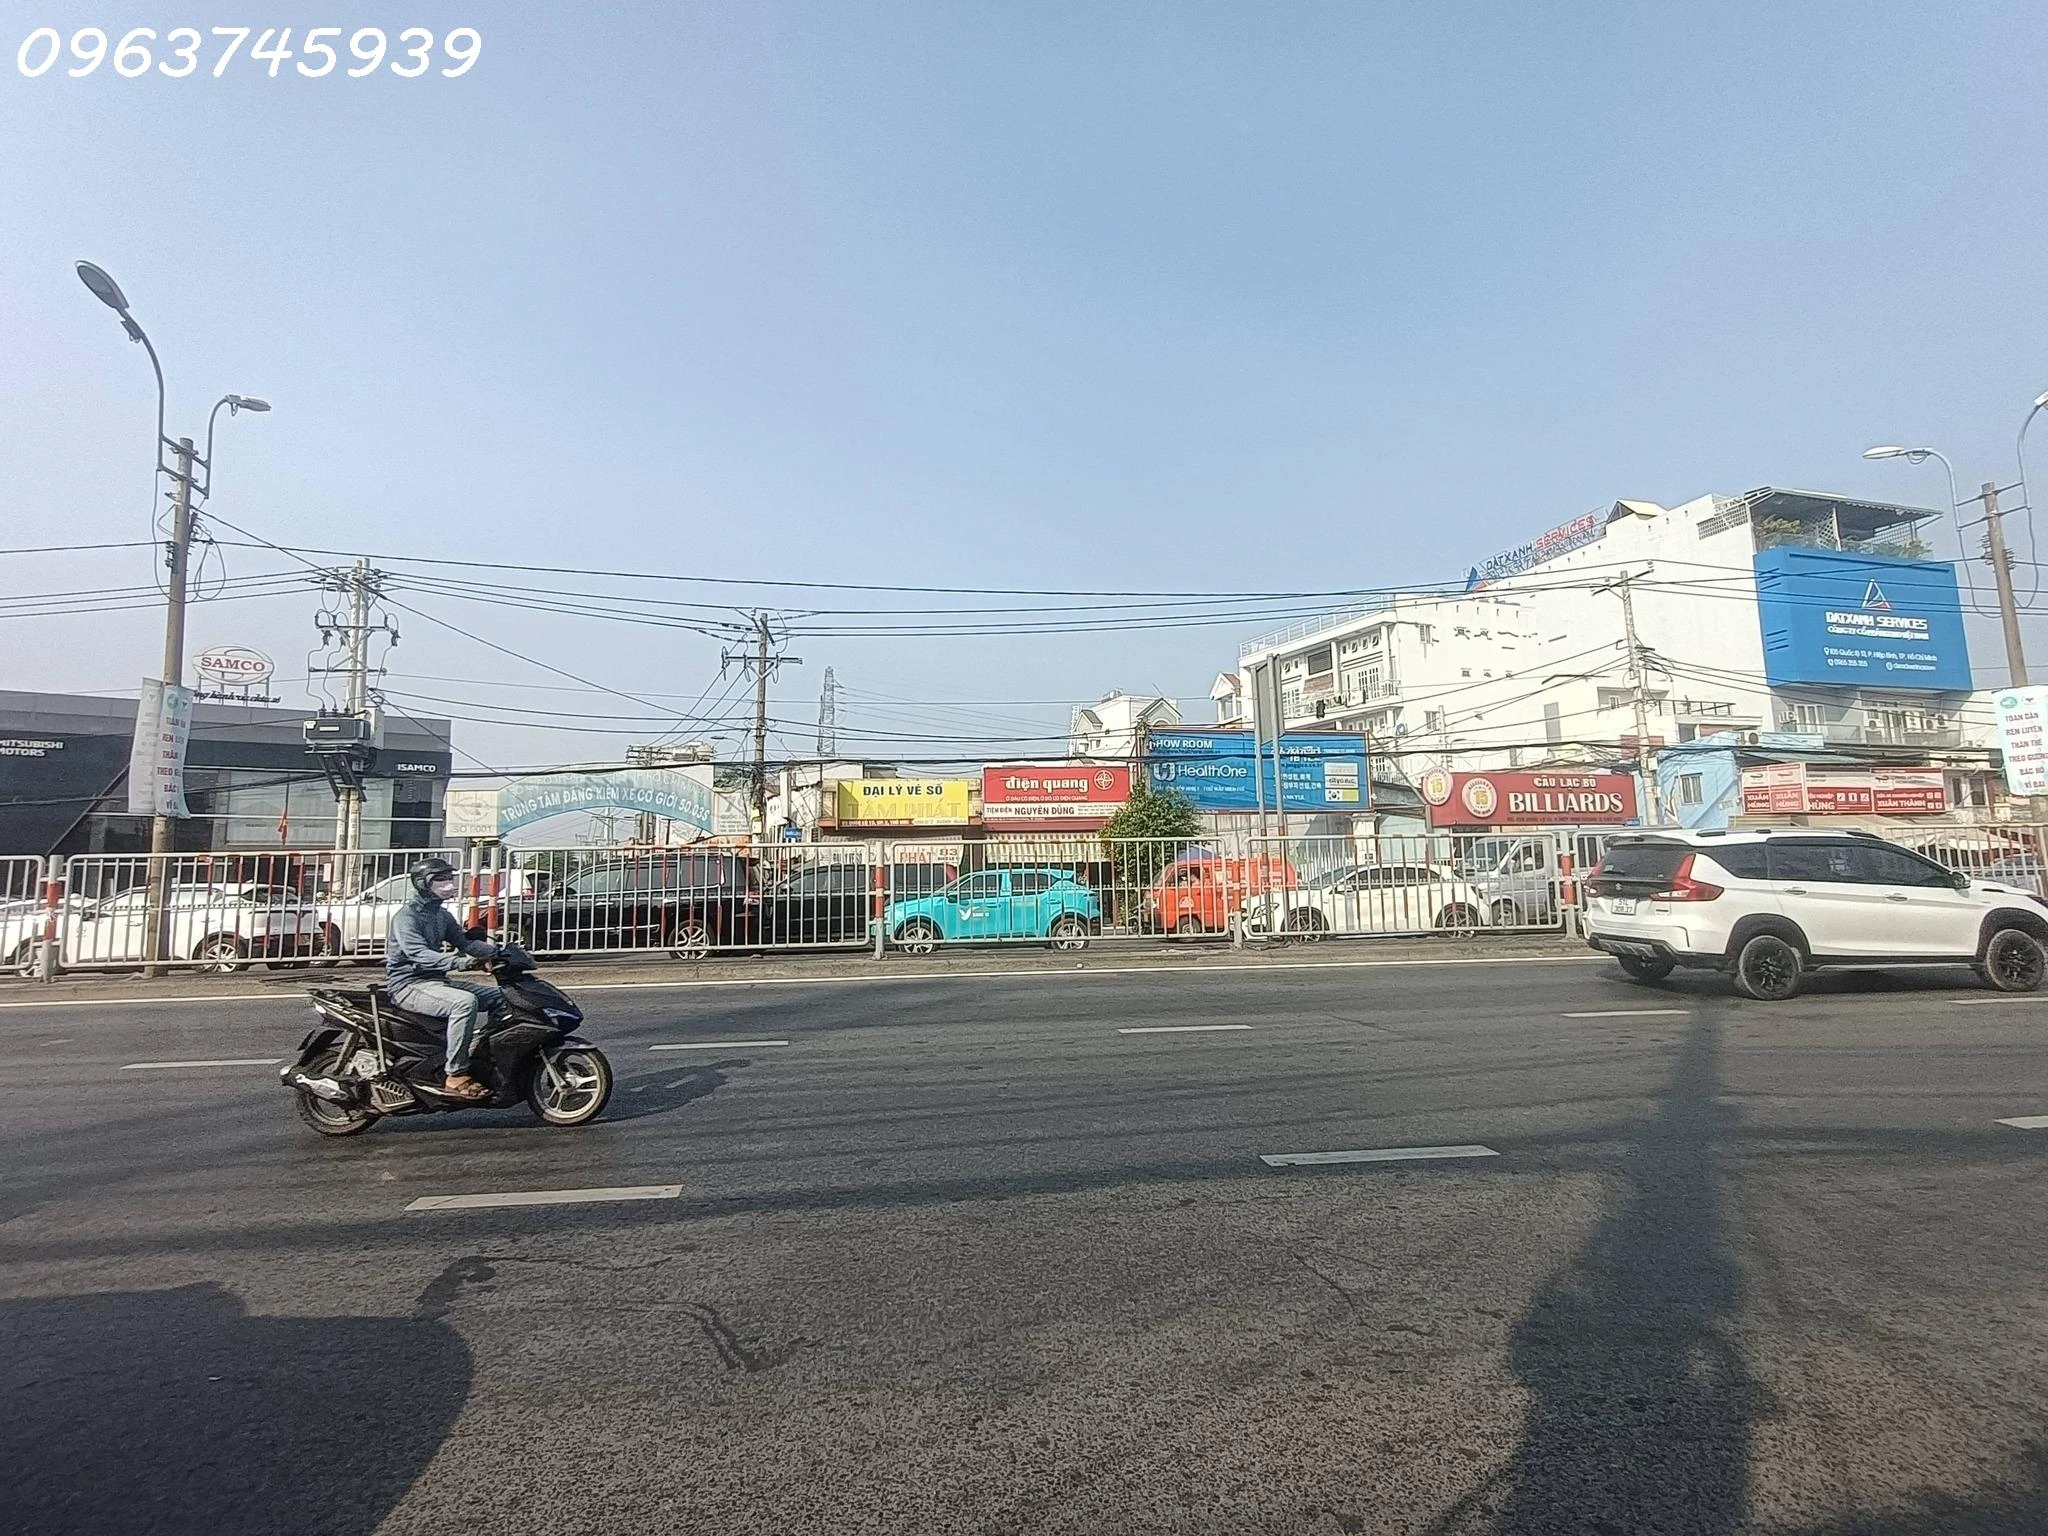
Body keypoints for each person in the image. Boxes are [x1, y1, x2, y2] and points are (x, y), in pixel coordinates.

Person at [386, 856, 504, 1101]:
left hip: (437, 983)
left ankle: (480, 1051)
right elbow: (418, 954)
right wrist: (460, 963)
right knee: (464, 1003)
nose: (448, 884)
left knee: (502, 998)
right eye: (440, 879)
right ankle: (456, 1073)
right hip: (409, 985)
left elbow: (465, 943)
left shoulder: (442, 915)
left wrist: (499, 953)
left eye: (449, 878)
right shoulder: (407, 917)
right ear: (422, 883)